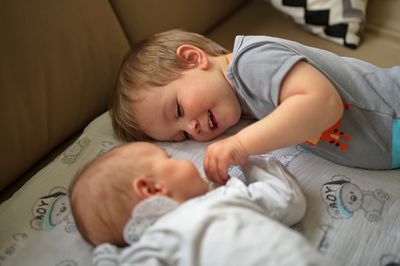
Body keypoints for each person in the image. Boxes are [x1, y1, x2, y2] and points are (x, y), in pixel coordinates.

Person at [110, 29, 400, 184]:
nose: (192, 128)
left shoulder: (250, 62)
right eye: (183, 135)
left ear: (192, 58)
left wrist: (240, 144)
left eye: (178, 111)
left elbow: (323, 104)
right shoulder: (239, 102)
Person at [69, 142, 332, 265]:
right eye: (168, 157)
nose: (183, 159)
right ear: (152, 189)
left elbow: (287, 202)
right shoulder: (156, 243)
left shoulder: (225, 197)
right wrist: (248, 162)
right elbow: (286, 197)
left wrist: (105, 253)